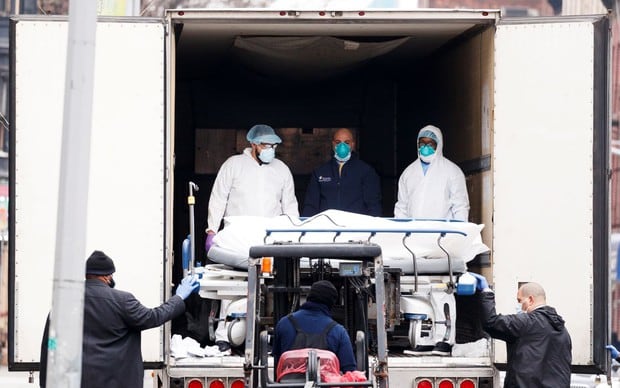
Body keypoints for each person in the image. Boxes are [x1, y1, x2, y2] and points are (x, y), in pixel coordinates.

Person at [40, 250, 200, 388]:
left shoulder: (64, 304)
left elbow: (50, 344)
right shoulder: (122, 301)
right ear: (108, 276)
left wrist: (45, 383)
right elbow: (154, 317)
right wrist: (179, 296)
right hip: (117, 382)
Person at [205, 124, 299, 351]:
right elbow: (218, 199)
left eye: (274, 145)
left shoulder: (281, 169)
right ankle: (224, 337)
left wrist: (295, 234)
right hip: (237, 237)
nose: (271, 149)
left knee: (274, 289)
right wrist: (211, 230)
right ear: (253, 144)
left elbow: (290, 205)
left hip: (270, 238)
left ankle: (274, 338)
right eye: (266, 145)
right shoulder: (233, 165)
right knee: (233, 287)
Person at [470, 273, 572, 387]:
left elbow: (491, 322)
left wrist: (486, 291)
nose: (518, 305)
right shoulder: (562, 330)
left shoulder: (527, 323)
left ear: (530, 300)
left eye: (519, 301)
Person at [271, 280, 356, 378]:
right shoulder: (338, 331)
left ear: (309, 297)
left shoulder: (284, 324)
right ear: (331, 304)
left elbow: (278, 363)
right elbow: (350, 372)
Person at [394, 124, 469, 221]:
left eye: (430, 144)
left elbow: (460, 207)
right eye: (422, 143)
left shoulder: (452, 171)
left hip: (443, 233)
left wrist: (458, 233)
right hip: (414, 232)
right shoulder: (408, 173)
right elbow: (401, 208)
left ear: (439, 144)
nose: (425, 147)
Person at [302, 128, 381, 217]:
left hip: (356, 227)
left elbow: (373, 205)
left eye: (347, 142)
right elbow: (311, 206)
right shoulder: (320, 172)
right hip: (327, 227)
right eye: (338, 142)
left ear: (353, 144)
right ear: (333, 144)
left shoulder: (366, 172)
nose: (342, 146)